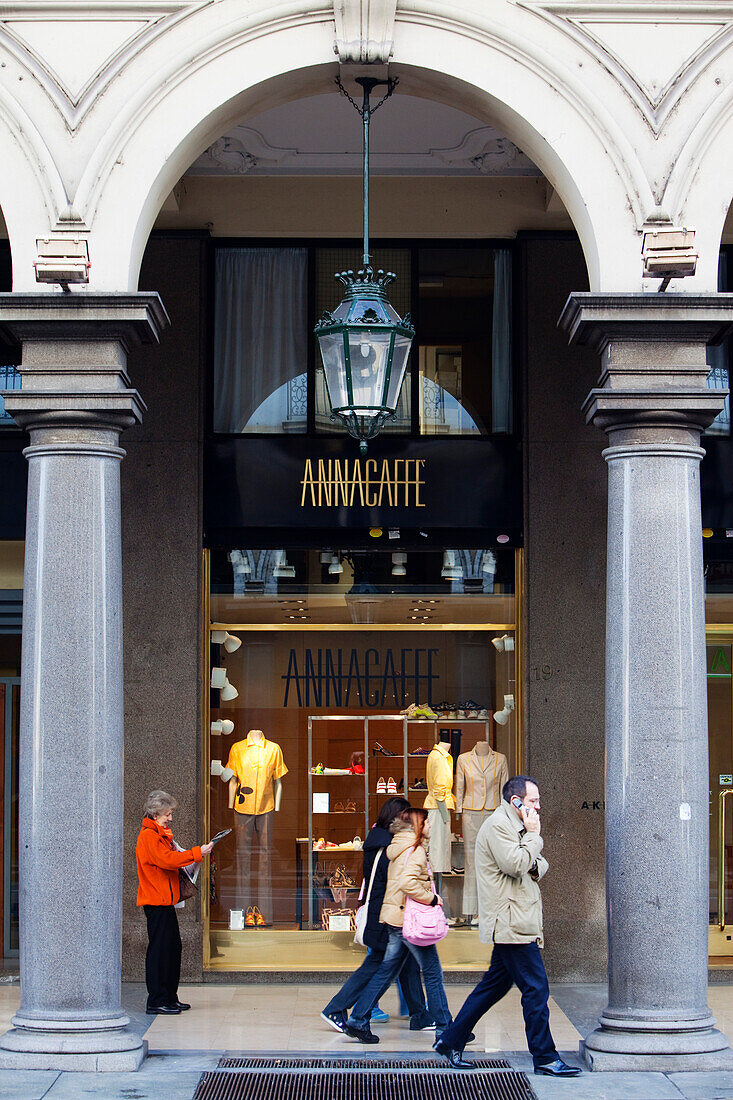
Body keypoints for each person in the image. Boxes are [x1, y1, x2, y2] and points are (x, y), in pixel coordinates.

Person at [433, 776, 581, 1077]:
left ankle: (450, 1040)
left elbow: (538, 866)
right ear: (515, 801)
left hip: (515, 917)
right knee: (536, 989)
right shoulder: (500, 826)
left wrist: (530, 847)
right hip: (511, 920)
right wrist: (533, 836)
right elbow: (516, 864)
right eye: (533, 801)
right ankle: (545, 1057)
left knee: (494, 986)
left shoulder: (514, 827)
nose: (538, 807)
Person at [321, 797, 434, 1034]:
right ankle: (339, 1009)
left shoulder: (379, 841)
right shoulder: (389, 847)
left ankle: (419, 1014)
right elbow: (396, 884)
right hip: (387, 914)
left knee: (406, 963)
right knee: (376, 965)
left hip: (383, 911)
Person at [343, 807, 452, 1044]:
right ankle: (446, 1029)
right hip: (409, 921)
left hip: (395, 918)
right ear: (417, 827)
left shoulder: (397, 848)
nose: (430, 827)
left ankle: (358, 1019)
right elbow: (407, 883)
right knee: (433, 973)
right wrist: (432, 898)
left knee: (387, 970)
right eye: (427, 823)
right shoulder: (415, 851)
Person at [136, 790, 214, 1015]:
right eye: (167, 814)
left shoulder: (159, 834)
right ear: (156, 813)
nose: (170, 818)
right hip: (156, 901)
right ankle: (158, 999)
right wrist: (197, 853)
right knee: (161, 950)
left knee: (171, 949)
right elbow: (166, 860)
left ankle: (169, 997)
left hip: (164, 900)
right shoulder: (149, 836)